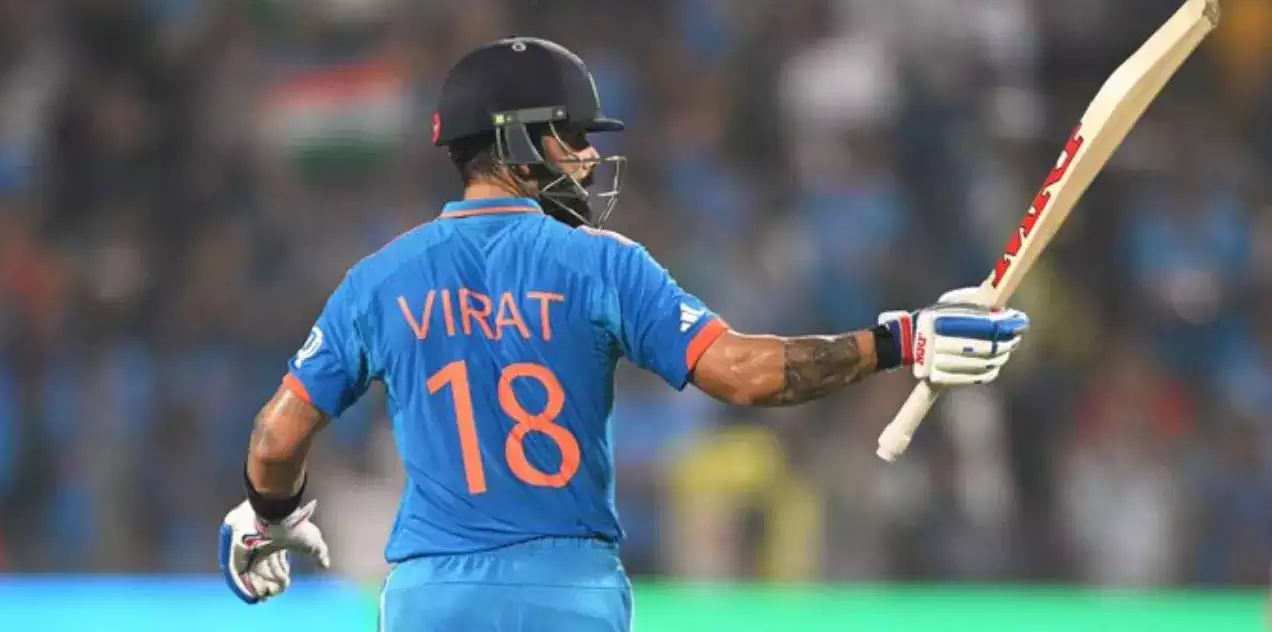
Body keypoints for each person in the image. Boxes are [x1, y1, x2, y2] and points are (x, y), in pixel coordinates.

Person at [218, 37, 1030, 630]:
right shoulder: (603, 264)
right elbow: (746, 373)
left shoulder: (379, 279)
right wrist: (897, 341)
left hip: (435, 599)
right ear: (518, 139)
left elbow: (275, 437)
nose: (585, 159)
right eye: (572, 136)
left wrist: (269, 518)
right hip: (569, 592)